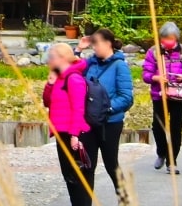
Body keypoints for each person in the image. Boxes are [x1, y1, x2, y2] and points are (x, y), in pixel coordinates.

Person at [42, 40, 93, 204]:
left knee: (76, 177)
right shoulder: (59, 78)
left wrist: (74, 135)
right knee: (69, 176)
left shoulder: (74, 78)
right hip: (61, 132)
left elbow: (79, 109)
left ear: (62, 58)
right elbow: (47, 102)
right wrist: (50, 84)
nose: (48, 60)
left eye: (52, 57)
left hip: (72, 133)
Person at [142, 21, 182, 173]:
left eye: (170, 39)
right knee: (158, 126)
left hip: (179, 95)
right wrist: (157, 78)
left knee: (175, 128)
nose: (166, 42)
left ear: (176, 39)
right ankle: (161, 152)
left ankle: (172, 162)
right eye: (164, 39)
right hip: (159, 95)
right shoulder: (153, 52)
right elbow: (146, 74)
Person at [85, 28, 135, 192]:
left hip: (110, 123)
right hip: (89, 122)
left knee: (110, 163)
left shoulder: (120, 66)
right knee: (87, 165)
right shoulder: (90, 64)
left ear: (108, 44)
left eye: (96, 44)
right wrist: (78, 49)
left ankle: (125, 198)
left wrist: (106, 108)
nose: (94, 48)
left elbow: (126, 97)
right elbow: (70, 71)